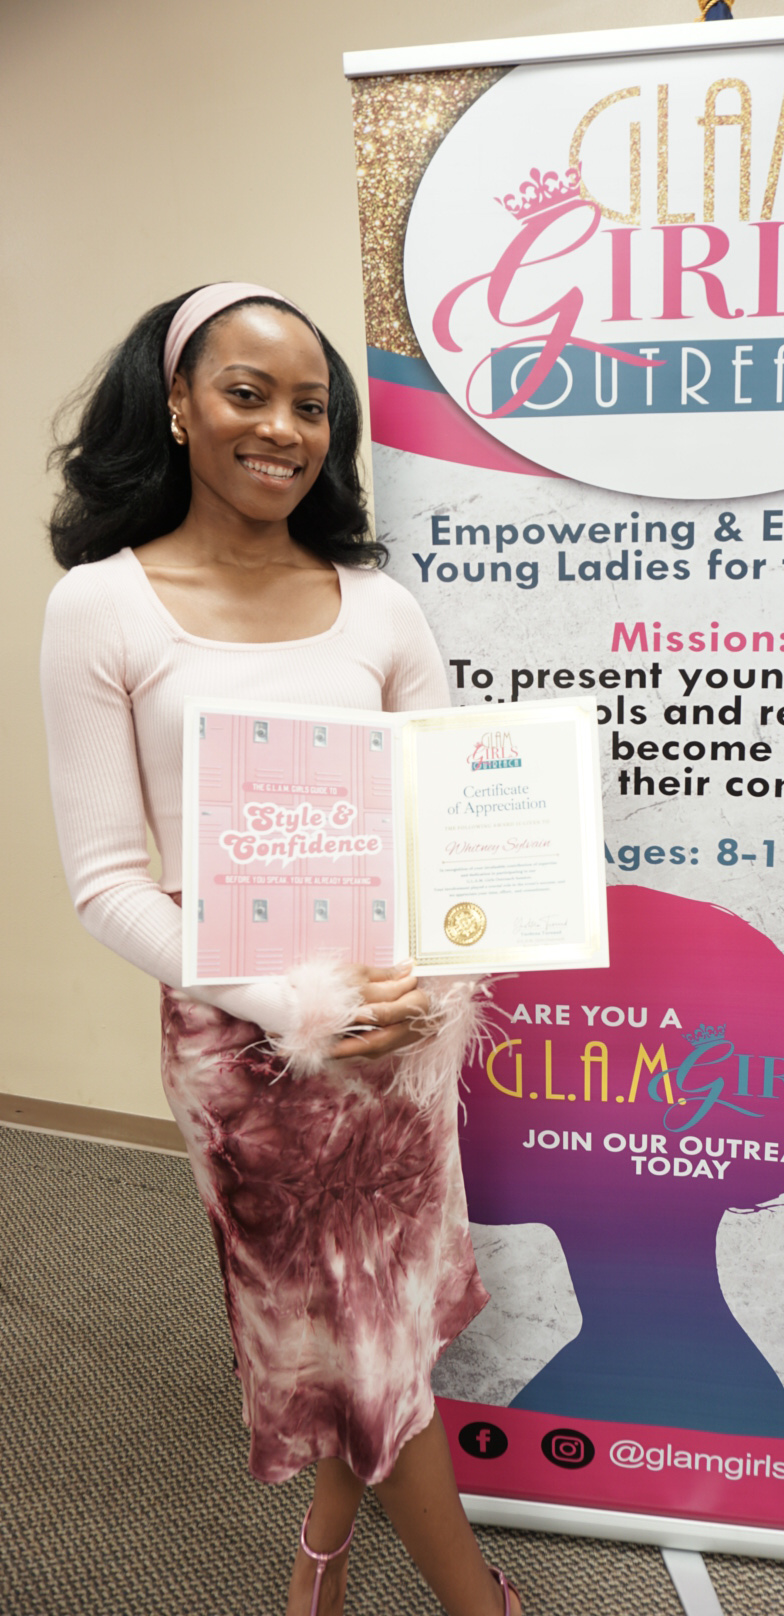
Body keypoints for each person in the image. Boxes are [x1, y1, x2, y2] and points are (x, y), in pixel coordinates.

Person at [40, 283, 522, 1616]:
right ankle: (481, 1607)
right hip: (247, 1045)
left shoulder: (377, 607)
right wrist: (292, 999)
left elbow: (452, 828)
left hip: (401, 1025)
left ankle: (322, 1552)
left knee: (380, 1320)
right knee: (360, 1342)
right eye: (247, 393)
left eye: (312, 406)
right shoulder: (103, 608)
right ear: (179, 405)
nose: (283, 429)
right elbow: (104, 887)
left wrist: (428, 982)